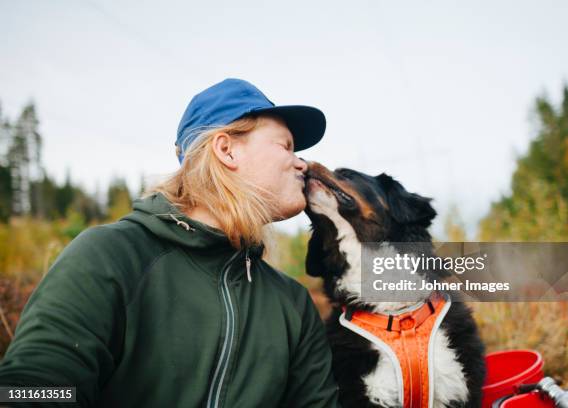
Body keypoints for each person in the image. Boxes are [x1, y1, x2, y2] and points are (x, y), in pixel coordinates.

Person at [0, 78, 340, 407]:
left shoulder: (292, 304)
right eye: (285, 146)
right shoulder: (110, 256)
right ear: (226, 150)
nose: (302, 163)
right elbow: (28, 389)